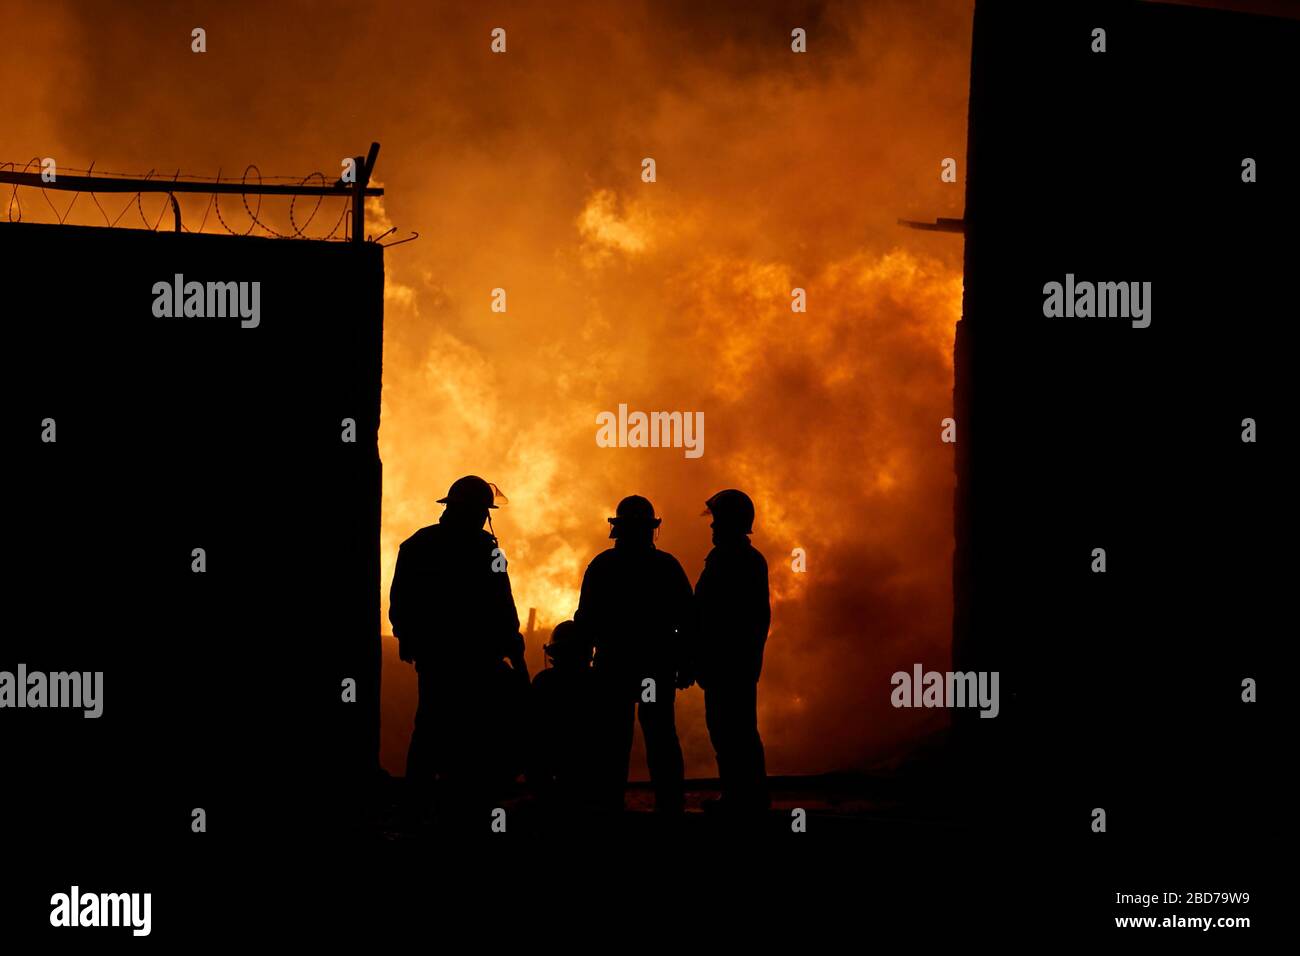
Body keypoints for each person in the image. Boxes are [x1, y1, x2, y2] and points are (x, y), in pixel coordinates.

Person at [389, 475, 528, 817]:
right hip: (477, 658)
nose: (484, 517)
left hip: (438, 658)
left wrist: (408, 639)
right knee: (474, 731)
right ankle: (467, 806)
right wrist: (516, 653)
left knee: (432, 726)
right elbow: (503, 604)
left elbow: (401, 601)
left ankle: (420, 804)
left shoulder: (417, 545)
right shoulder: (488, 550)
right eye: (482, 510)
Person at [575, 495, 694, 815]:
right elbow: (687, 620)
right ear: (650, 529)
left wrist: (582, 665)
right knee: (659, 735)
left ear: (618, 529)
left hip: (614, 665)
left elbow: (585, 620)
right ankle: (670, 804)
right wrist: (685, 663)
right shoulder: (665, 566)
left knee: (613, 738)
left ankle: (609, 804)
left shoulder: (603, 566)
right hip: (655, 667)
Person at [695, 489, 771, 816]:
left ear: (730, 522)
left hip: (728, 665)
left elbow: (714, 615)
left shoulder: (731, 561)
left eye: (716, 521)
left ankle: (743, 800)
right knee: (734, 730)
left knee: (731, 730)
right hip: (735, 664)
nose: (712, 527)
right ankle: (744, 796)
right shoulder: (742, 559)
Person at [529, 620, 598, 812]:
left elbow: (531, 735)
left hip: (551, 768)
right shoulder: (597, 685)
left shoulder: (543, 683)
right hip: (589, 772)